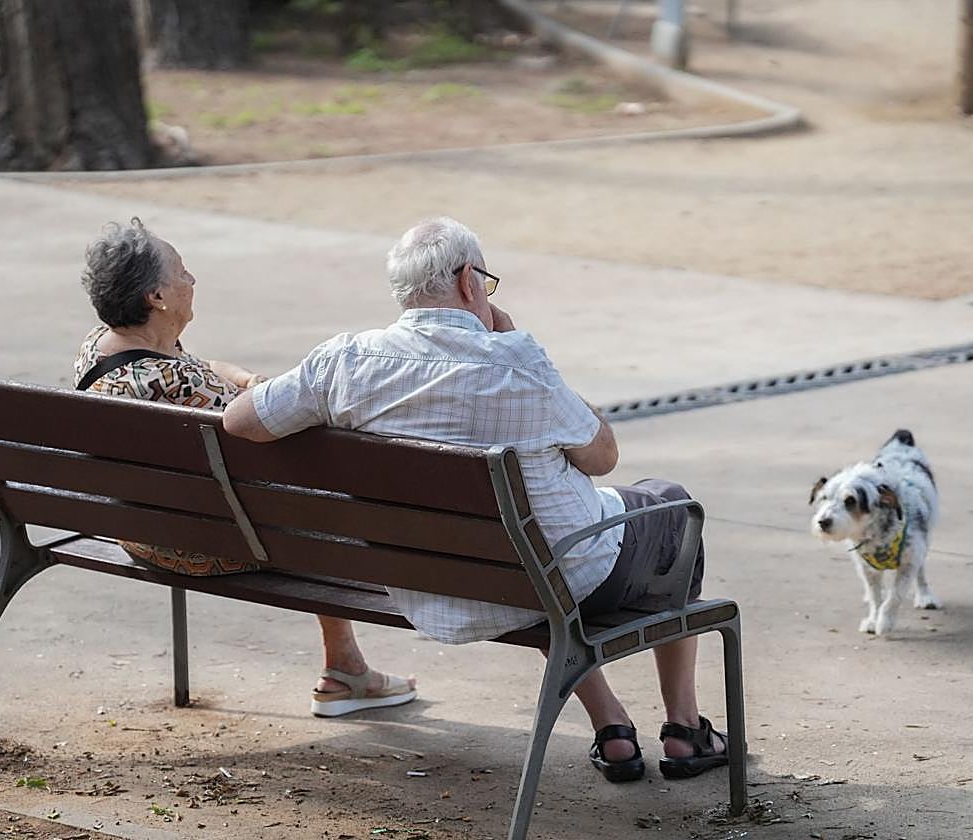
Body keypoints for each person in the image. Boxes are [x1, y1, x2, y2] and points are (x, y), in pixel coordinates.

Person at [223, 217, 729, 782]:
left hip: (436, 582)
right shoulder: (516, 365)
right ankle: (685, 730)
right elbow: (602, 456)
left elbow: (240, 421)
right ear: (469, 281)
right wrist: (522, 352)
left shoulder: (344, 361)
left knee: (528, 540)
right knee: (672, 509)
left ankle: (611, 725)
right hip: (554, 576)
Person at [74, 217, 416, 718]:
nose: (193, 281)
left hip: (141, 528)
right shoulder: (181, 385)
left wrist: (249, 379)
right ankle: (346, 670)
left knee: (297, 498)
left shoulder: (106, 349)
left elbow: (205, 368)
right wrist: (263, 392)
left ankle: (345, 665)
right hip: (209, 543)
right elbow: (269, 423)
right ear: (157, 297)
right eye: (183, 273)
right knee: (321, 499)